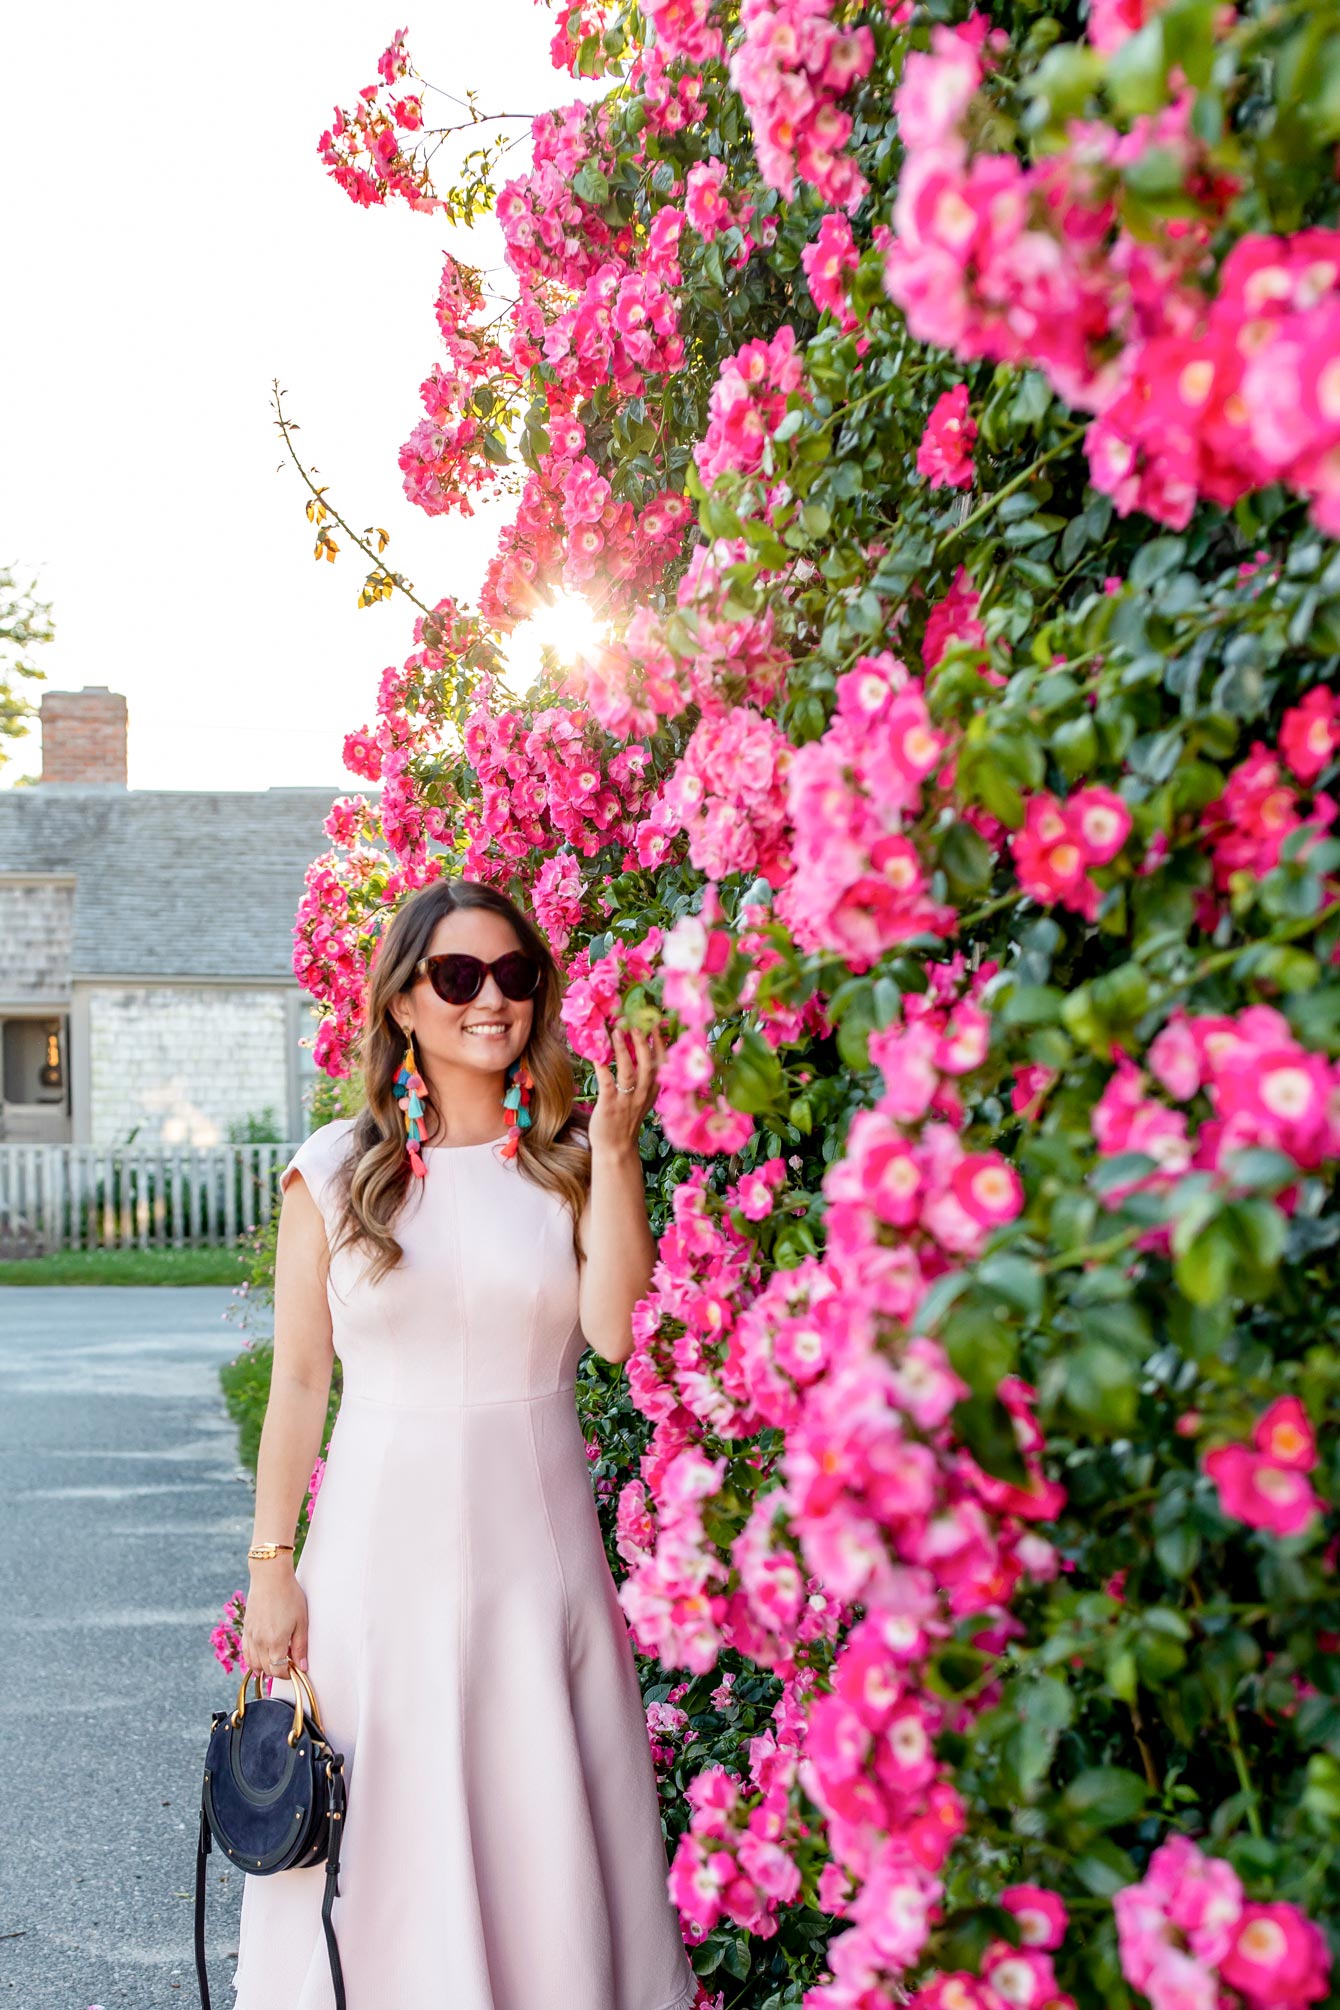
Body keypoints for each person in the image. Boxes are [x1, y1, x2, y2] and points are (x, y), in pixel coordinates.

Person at [230, 876, 699, 2010]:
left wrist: (623, 1156)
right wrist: (271, 1569)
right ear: (402, 1002)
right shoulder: (336, 1170)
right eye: (456, 976)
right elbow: (299, 1382)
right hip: (377, 1564)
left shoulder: (570, 1159)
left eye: (514, 975)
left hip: (537, 1563)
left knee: (539, 1827)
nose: (490, 1000)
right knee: (386, 1837)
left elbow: (613, 1331)